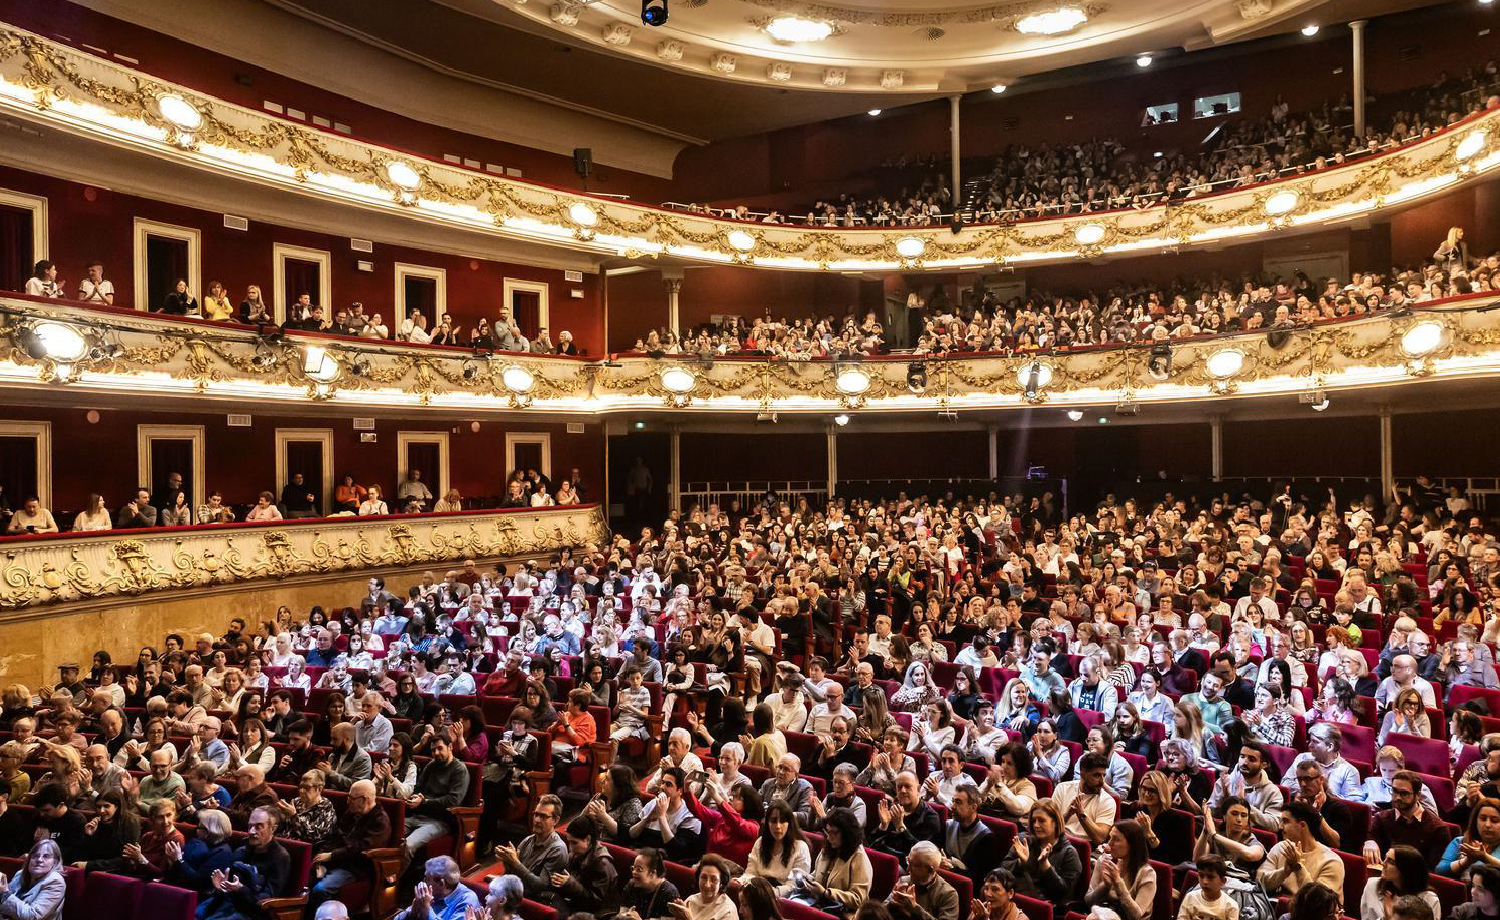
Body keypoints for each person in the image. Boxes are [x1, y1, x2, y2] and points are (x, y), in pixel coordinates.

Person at [309, 780, 390, 911]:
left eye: (352, 798)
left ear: (364, 800)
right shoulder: (351, 813)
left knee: (320, 889)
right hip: (337, 861)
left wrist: (331, 856)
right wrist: (320, 858)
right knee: (304, 881)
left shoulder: (380, 822)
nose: (348, 801)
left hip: (354, 868)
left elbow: (362, 850)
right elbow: (335, 837)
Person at [196, 807, 290, 920]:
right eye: (250, 826)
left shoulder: (280, 857)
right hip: (228, 903)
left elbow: (267, 899)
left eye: (258, 826)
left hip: (251, 912)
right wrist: (222, 886)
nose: (251, 831)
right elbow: (228, 885)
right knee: (188, 913)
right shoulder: (241, 851)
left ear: (273, 829)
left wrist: (240, 889)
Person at [1258, 801, 1344, 905]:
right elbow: (1259, 881)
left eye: (1285, 821)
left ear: (1302, 825)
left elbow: (1318, 903)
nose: (1280, 827)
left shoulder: (1332, 861)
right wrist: (1284, 872)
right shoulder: (1281, 848)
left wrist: (1298, 867)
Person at [1001, 799, 1081, 903]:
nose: (1036, 825)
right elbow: (1003, 867)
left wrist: (1046, 866)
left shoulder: (1069, 853)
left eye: (1041, 820)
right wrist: (1021, 862)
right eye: (1034, 820)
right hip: (1015, 898)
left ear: (1055, 822)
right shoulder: (1024, 841)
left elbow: (1063, 893)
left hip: (1043, 907)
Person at [797, 806, 871, 914]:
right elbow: (816, 875)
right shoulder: (828, 848)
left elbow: (858, 899)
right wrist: (805, 880)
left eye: (834, 833)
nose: (829, 837)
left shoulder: (858, 857)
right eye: (828, 832)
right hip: (819, 905)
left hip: (843, 913)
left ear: (847, 833)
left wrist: (826, 893)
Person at [495, 793, 567, 898]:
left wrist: (515, 863)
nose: (537, 820)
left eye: (543, 816)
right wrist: (507, 861)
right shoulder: (527, 840)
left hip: (535, 902)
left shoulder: (558, 849)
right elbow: (513, 875)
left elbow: (540, 886)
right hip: (517, 895)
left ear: (555, 820)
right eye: (536, 814)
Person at [1085, 819, 1157, 920]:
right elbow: (1088, 902)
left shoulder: (1147, 874)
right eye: (1110, 837)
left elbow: (1136, 916)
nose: (1109, 843)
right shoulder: (1104, 861)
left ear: (1132, 844)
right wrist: (1105, 886)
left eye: (1116, 839)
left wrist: (1118, 883)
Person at [740, 800, 812, 895]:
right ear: (767, 823)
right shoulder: (760, 842)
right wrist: (742, 882)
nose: (778, 826)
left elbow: (794, 886)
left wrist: (769, 893)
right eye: (773, 821)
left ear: (789, 823)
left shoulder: (800, 847)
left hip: (784, 899)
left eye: (782, 821)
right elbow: (750, 873)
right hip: (759, 892)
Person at [1051, 752, 1117, 845]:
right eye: (1097, 775)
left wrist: (1082, 815)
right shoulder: (1063, 788)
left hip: (1086, 846)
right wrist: (1068, 814)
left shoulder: (1108, 801)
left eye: (1104, 775)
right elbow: (1051, 825)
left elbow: (1100, 838)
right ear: (1083, 773)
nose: (1102, 781)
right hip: (1059, 839)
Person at [1362, 845, 1440, 920]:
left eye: (1390, 862)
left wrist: (1391, 918)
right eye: (1385, 858)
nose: (1383, 863)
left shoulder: (1429, 899)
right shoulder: (1372, 885)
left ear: (1405, 870)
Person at [886, 841, 959, 920]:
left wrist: (915, 909)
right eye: (908, 862)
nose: (908, 869)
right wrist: (892, 903)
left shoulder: (948, 894)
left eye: (914, 865)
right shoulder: (904, 881)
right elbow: (881, 914)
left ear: (930, 870)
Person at [393, 856, 478, 920]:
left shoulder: (467, 901)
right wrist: (412, 913)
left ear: (441, 883)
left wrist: (427, 909)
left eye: (426, 879)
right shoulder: (429, 895)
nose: (423, 882)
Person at [0, 839, 65, 920]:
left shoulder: (55, 882)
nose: (39, 860)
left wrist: (4, 893)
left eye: (46, 856)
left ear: (55, 862)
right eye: (35, 856)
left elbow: (32, 916)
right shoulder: (20, 874)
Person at [1439, 797, 1500, 877]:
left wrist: (1484, 857)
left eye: (1494, 820)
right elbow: (1440, 871)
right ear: (1475, 821)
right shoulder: (1460, 842)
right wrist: (1466, 861)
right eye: (1483, 819)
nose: (1487, 825)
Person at [668, 854, 734, 920]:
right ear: (698, 878)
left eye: (714, 880)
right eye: (704, 877)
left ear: (721, 883)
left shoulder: (728, 912)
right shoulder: (691, 900)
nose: (707, 885)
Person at [623, 848, 682, 920]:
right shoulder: (632, 885)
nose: (633, 872)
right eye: (633, 868)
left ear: (653, 873)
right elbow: (622, 913)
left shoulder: (669, 894)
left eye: (638, 869)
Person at [1177, 855, 1237, 920]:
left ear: (1222, 881)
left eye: (1210, 877)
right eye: (1201, 876)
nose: (1205, 882)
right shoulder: (1190, 897)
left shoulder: (1230, 906)